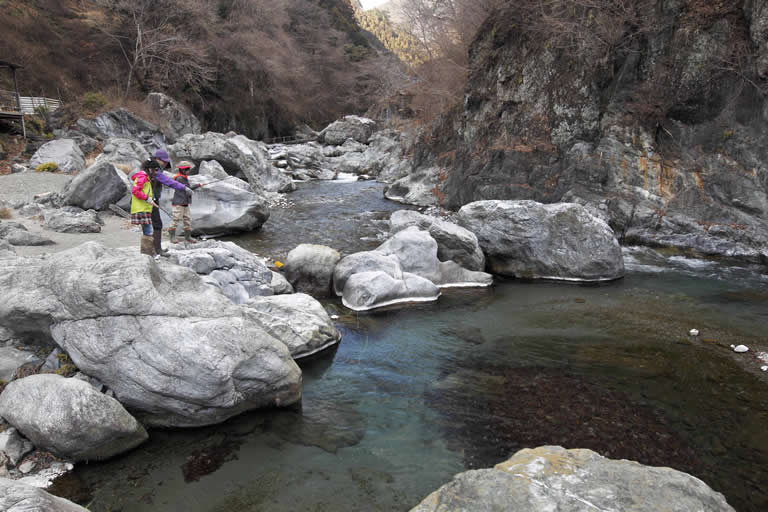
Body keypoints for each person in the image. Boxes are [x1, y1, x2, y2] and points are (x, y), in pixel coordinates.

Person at [149, 149, 190, 256]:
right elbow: (168, 181)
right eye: (164, 161)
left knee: (152, 225)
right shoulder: (153, 169)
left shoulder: (151, 167)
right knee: (157, 225)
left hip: (150, 199)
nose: (165, 163)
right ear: (157, 159)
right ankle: (156, 250)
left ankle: (153, 249)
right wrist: (184, 188)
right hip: (149, 200)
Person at [130, 160, 161, 257]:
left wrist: (151, 199)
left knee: (147, 230)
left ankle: (146, 252)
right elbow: (135, 191)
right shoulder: (142, 177)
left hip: (144, 208)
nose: (156, 172)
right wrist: (148, 199)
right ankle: (148, 253)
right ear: (149, 169)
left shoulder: (145, 178)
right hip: (141, 208)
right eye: (155, 170)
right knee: (148, 231)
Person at [168, 161, 202, 244]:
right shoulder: (180, 178)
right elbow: (187, 189)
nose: (188, 170)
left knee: (187, 220)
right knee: (176, 219)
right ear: (182, 170)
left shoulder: (183, 177)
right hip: (179, 203)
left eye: (188, 169)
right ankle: (172, 237)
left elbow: (187, 188)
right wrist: (197, 185)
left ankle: (188, 237)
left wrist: (198, 185)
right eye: (187, 169)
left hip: (185, 202)